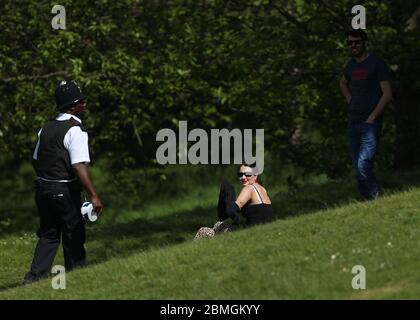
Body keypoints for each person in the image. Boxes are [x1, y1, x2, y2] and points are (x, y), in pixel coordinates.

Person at [23, 80, 103, 284]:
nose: (85, 105)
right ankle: (77, 273)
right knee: (73, 231)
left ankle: (34, 278)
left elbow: (35, 159)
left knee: (48, 235)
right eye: (82, 101)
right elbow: (78, 166)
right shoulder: (75, 130)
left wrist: (47, 179)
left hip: (42, 189)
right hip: (63, 190)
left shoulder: (46, 128)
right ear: (74, 105)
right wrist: (93, 195)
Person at [339, 29, 393, 200]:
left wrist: (373, 117)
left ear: (364, 43)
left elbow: (387, 95)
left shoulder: (377, 64)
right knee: (357, 165)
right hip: (353, 122)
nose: (353, 45)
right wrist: (349, 99)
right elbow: (343, 83)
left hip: (370, 123)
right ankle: (367, 199)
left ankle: (375, 196)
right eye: (350, 43)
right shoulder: (350, 65)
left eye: (357, 42)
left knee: (364, 163)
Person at [194, 163, 273, 240]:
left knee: (203, 231)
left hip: (253, 233)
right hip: (265, 230)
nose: (243, 177)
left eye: (247, 174)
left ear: (255, 175)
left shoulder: (249, 188)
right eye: (240, 174)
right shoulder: (262, 189)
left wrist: (227, 192)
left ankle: (195, 250)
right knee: (219, 224)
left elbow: (232, 210)